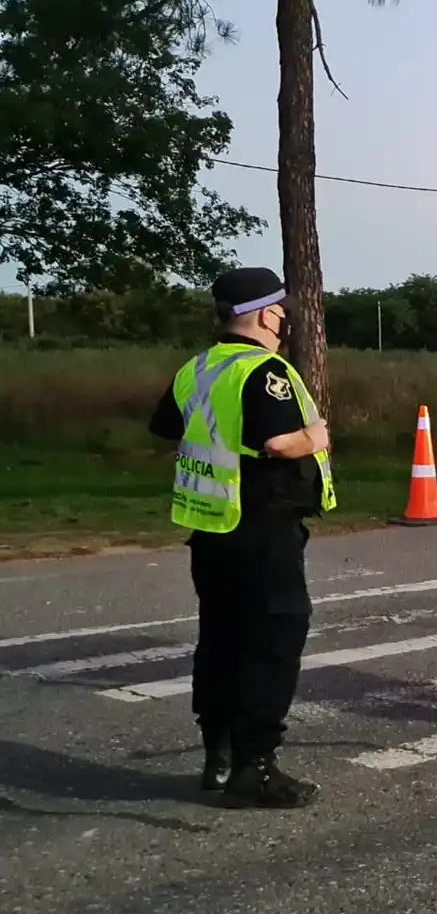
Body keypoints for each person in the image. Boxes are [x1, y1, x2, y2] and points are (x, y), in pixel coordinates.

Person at [148, 266, 335, 808]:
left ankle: (220, 755)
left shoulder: (197, 368)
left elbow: (169, 427)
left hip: (210, 527)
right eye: (281, 311)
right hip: (261, 524)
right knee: (273, 642)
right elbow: (278, 443)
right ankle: (256, 766)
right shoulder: (264, 370)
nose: (284, 322)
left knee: (222, 640)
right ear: (263, 314)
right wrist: (315, 436)